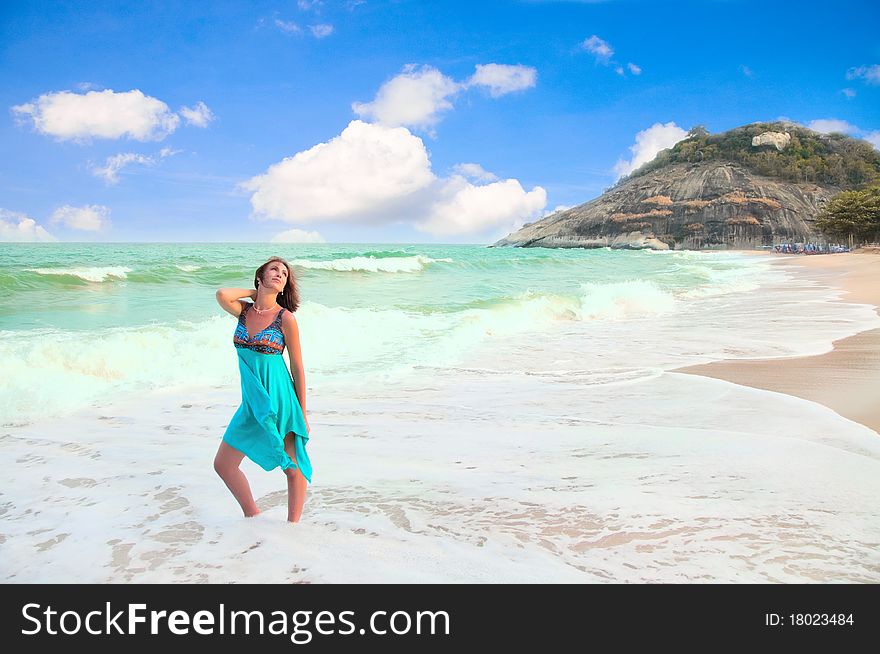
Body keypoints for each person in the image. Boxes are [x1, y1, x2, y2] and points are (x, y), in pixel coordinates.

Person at [213, 256, 312, 522]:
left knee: (292, 466)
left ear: (284, 287)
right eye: (274, 270)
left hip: (279, 397)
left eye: (284, 274)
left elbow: (297, 367)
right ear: (261, 276)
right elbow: (222, 294)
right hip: (252, 401)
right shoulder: (243, 311)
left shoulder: (285, 318)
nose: (280, 274)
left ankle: (294, 527)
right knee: (223, 464)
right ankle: (253, 517)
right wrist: (256, 292)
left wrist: (302, 412)